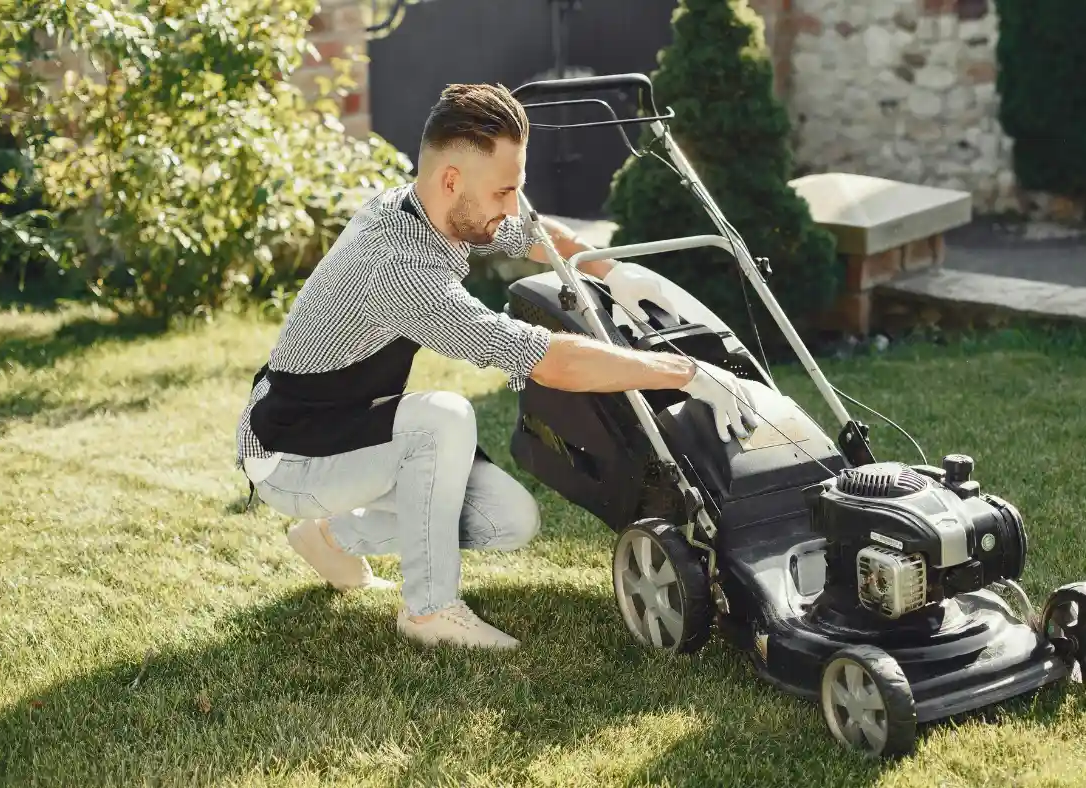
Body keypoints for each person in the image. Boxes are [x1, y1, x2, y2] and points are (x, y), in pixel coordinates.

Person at [235, 82, 757, 650]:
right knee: (443, 418)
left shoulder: (428, 208)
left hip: (354, 429)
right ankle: (429, 611)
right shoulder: (397, 265)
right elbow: (547, 359)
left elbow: (530, 233)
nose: (512, 208)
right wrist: (686, 372)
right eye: (504, 192)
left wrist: (607, 270)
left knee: (510, 519)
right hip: (292, 452)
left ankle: (331, 539)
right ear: (452, 180)